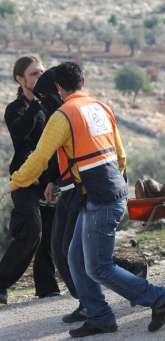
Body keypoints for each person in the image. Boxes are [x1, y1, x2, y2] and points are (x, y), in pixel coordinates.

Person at [0, 62, 165, 337]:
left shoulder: (63, 115)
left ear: (59, 87)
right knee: (76, 259)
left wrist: (13, 184)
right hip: (108, 191)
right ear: (82, 81)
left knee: (98, 266)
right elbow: (121, 154)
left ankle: (158, 298)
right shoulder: (100, 107)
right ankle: (99, 316)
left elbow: (38, 158)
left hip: (99, 197)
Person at [33, 69, 148, 324]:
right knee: (68, 251)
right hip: (76, 187)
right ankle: (91, 304)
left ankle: (138, 292)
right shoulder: (64, 110)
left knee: (73, 253)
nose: (43, 101)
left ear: (55, 89)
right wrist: (54, 181)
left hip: (87, 189)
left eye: (44, 96)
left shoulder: (67, 113)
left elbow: (66, 154)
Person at [0, 56, 60, 305]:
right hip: (24, 179)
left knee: (50, 233)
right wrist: (36, 104)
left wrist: (54, 179)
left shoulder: (53, 105)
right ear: (20, 79)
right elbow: (21, 132)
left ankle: (46, 287)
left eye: (42, 73)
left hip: (49, 179)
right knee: (31, 230)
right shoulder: (15, 109)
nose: (40, 77)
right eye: (34, 74)